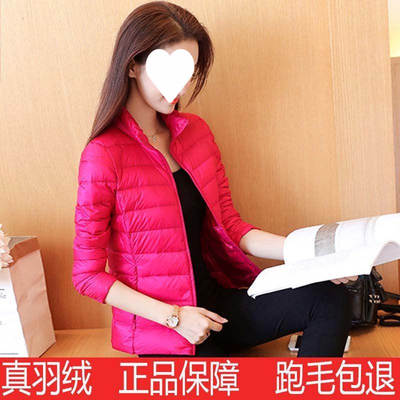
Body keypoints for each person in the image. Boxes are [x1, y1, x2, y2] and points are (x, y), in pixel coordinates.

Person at [72, 1, 358, 357]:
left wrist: (312, 256)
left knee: (329, 298)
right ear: (132, 65)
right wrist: (175, 317)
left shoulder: (196, 133)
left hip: (219, 308)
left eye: (188, 71)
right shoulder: (103, 155)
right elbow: (87, 276)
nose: (180, 85)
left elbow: (232, 227)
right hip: (166, 330)